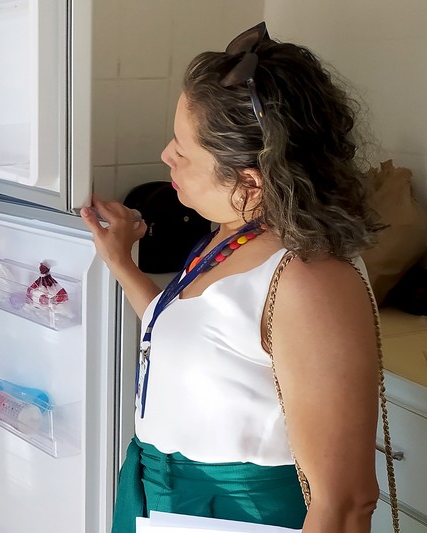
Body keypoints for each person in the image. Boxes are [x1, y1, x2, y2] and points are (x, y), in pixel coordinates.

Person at [81, 22, 384, 533]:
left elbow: (347, 502)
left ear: (250, 179)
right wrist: (122, 265)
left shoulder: (311, 281)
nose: (166, 155)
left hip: (238, 515)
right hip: (164, 498)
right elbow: (203, 339)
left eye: (183, 147)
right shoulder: (234, 232)